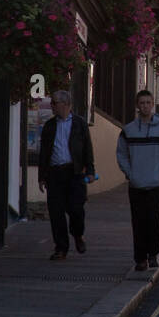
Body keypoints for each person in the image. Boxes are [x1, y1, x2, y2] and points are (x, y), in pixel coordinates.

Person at [116, 90, 159, 271]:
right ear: (137, 105)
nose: (145, 106)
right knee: (138, 221)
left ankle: (153, 254)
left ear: (153, 104)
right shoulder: (129, 130)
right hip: (136, 184)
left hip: (156, 183)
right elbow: (121, 154)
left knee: (153, 220)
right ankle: (140, 258)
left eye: (148, 102)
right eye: (142, 103)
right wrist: (129, 172)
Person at [38, 89, 95, 259]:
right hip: (55, 173)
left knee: (76, 209)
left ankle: (78, 234)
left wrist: (90, 170)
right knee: (56, 212)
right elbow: (44, 152)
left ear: (65, 104)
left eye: (54, 103)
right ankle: (61, 248)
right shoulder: (49, 126)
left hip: (74, 172)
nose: (52, 106)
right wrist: (42, 176)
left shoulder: (79, 123)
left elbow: (87, 148)